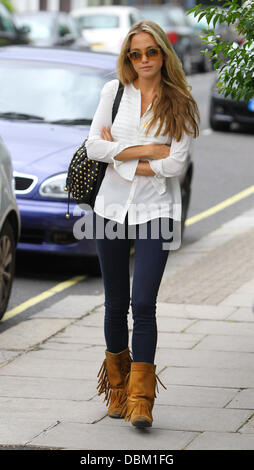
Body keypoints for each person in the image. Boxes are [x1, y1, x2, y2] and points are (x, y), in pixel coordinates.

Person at [86, 20, 200, 429]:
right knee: (115, 303)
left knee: (143, 304)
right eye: (136, 53)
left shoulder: (181, 101)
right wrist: (149, 150)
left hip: (158, 213)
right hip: (111, 209)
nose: (144, 60)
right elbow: (93, 146)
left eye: (151, 52)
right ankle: (117, 390)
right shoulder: (114, 92)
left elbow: (177, 163)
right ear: (127, 57)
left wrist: (121, 158)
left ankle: (141, 400)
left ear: (163, 55)